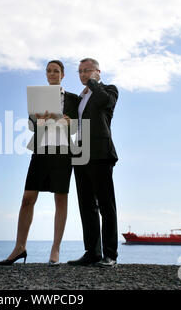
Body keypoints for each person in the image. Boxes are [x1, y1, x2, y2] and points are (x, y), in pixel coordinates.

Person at [0, 60, 80, 266]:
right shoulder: (38, 97)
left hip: (63, 152)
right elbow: (32, 127)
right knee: (27, 198)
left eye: (56, 71)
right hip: (40, 151)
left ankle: (55, 249)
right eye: (49, 71)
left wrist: (65, 121)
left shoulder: (73, 99)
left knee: (60, 198)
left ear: (63, 75)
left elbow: (76, 128)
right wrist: (39, 120)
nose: (52, 74)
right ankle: (19, 248)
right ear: (46, 74)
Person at [67, 58, 119, 267]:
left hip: (100, 152)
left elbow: (107, 102)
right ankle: (92, 252)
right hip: (80, 153)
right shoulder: (79, 98)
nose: (82, 74)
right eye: (79, 71)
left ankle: (110, 255)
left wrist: (94, 83)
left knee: (106, 205)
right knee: (86, 205)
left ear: (97, 71)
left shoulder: (108, 89)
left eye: (86, 70)